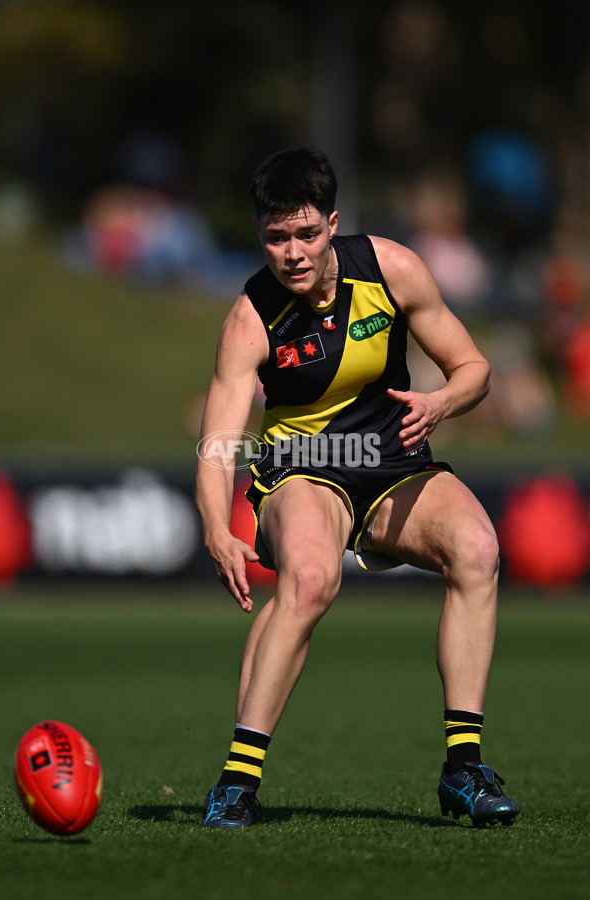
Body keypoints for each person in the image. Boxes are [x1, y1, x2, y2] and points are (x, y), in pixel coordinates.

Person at [195, 147, 519, 829]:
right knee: (311, 580)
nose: (292, 252)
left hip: (393, 461)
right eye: (276, 237)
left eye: (307, 233)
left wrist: (442, 403)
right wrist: (215, 529)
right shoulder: (251, 318)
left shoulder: (390, 268)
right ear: (261, 236)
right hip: (301, 466)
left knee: (479, 549)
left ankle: (463, 770)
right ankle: (237, 783)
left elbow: (474, 368)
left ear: (333, 223)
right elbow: (219, 440)